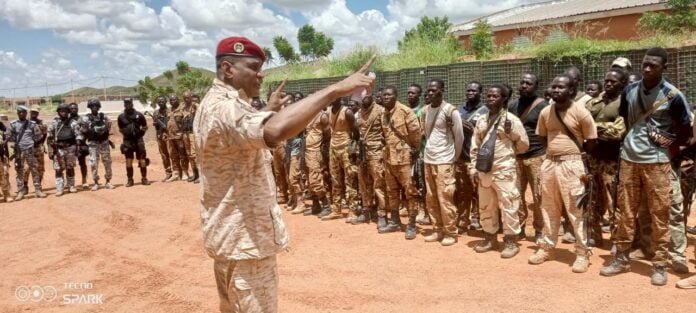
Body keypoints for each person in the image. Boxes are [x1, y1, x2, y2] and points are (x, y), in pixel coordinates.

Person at [193, 36, 374, 313]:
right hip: (247, 243)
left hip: (229, 239)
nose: (261, 75)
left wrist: (267, 111)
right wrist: (335, 90)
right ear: (228, 69)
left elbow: (241, 134)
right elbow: (274, 132)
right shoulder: (226, 106)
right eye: (253, 67)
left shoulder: (214, 103)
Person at [601, 47, 692, 286]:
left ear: (664, 67)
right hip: (629, 160)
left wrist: (666, 144)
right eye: (645, 65)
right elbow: (626, 118)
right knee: (625, 211)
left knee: (659, 214)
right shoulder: (630, 90)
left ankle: (660, 264)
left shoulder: (673, 95)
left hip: (658, 163)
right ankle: (621, 258)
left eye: (653, 65)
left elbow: (684, 131)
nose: (648, 69)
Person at [528, 74, 598, 273]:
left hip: (572, 165)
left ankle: (582, 253)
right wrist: (554, 154)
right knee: (548, 208)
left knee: (576, 210)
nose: (556, 91)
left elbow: (591, 141)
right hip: (549, 164)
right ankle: (547, 248)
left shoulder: (581, 112)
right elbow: (542, 137)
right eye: (554, 87)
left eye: (561, 87)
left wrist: (572, 156)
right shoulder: (545, 112)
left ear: (572, 91)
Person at [470, 84, 529, 257]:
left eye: (495, 96)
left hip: (504, 171)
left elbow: (523, 144)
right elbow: (475, 145)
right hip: (484, 171)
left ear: (504, 99)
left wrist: (507, 155)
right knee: (486, 206)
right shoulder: (481, 120)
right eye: (488, 96)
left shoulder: (511, 120)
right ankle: (490, 238)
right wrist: (473, 167)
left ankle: (511, 242)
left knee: (509, 205)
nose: (490, 99)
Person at [585, 69, 628, 244]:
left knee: (614, 201)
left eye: (613, 81)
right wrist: (600, 128)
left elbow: (617, 132)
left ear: (622, 84)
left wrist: (591, 128)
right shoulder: (594, 102)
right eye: (607, 80)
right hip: (592, 158)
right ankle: (594, 235)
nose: (609, 83)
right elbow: (580, 125)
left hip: (613, 160)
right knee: (591, 198)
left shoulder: (624, 103)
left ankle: (616, 238)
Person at [420, 79, 464, 246]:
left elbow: (459, 136)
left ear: (442, 91)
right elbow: (425, 133)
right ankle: (437, 229)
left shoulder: (450, 111)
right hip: (429, 159)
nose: (430, 93)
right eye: (429, 90)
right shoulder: (425, 111)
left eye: (434, 90)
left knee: (445, 197)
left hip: (444, 160)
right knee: (431, 197)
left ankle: (450, 232)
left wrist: (454, 157)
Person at [507, 73, 549, 242]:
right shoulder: (512, 105)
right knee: (515, 194)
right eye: (522, 82)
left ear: (536, 86)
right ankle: (519, 227)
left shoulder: (543, 107)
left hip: (537, 157)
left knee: (539, 196)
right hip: (516, 157)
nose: (524, 85)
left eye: (528, 83)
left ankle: (539, 230)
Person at [380, 85, 422, 238]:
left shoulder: (405, 111)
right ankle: (395, 221)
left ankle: (411, 224)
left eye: (389, 95)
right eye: (384, 95)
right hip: (390, 158)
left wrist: (413, 151)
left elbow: (416, 133)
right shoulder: (383, 114)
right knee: (391, 191)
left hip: (405, 158)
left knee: (410, 191)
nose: (385, 97)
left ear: (396, 96)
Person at [456, 81, 488, 234]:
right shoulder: (459, 110)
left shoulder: (485, 111)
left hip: (477, 158)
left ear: (480, 92)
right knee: (462, 192)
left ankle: (479, 220)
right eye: (468, 90)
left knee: (479, 191)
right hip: (461, 156)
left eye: (474, 91)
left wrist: (473, 129)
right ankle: (462, 222)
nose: (470, 93)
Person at [321, 97, 359, 221]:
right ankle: (336, 209)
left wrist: (353, 146)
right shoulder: (328, 111)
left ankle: (352, 210)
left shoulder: (347, 112)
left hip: (345, 146)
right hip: (333, 146)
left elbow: (355, 129)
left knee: (350, 178)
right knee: (335, 178)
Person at [353, 93, 386, 225]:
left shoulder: (381, 111)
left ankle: (382, 214)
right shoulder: (359, 112)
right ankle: (367, 210)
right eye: (360, 97)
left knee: (378, 183)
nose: (363, 99)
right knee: (363, 182)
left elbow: (386, 131)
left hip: (377, 151)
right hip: (362, 152)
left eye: (365, 96)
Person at [7, 105, 46, 200]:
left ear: (26, 113)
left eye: (23, 112)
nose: (22, 114)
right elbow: (8, 136)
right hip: (19, 152)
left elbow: (39, 136)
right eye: (20, 112)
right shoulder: (13, 124)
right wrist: (16, 142)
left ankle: (38, 190)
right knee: (20, 171)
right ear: (17, 113)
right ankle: (21, 191)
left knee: (34, 170)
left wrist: (31, 141)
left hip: (30, 150)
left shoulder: (32, 124)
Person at [302, 102, 331, 216]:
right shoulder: (306, 116)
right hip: (306, 150)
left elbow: (328, 133)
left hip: (315, 151)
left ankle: (326, 205)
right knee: (309, 180)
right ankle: (315, 205)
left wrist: (321, 146)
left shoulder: (322, 116)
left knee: (315, 179)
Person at [47, 103, 83, 196]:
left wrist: (78, 147)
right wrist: (51, 147)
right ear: (58, 112)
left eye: (65, 111)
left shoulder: (72, 123)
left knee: (70, 168)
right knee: (58, 169)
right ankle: (60, 188)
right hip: (58, 149)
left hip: (70, 148)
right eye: (61, 111)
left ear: (68, 112)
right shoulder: (54, 123)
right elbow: (49, 135)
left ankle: (71, 186)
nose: (63, 113)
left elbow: (78, 135)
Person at [408, 83, 430, 225]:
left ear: (419, 95)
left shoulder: (422, 111)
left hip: (421, 152)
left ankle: (426, 212)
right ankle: (417, 210)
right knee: (413, 183)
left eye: (413, 93)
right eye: (409, 92)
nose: (410, 95)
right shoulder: (405, 110)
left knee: (423, 183)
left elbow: (422, 133)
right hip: (408, 153)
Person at [81, 99, 114, 191]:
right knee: (93, 163)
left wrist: (102, 131)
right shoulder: (86, 118)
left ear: (99, 107)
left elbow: (108, 128)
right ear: (90, 107)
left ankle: (108, 181)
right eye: (92, 106)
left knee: (107, 162)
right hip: (93, 143)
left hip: (104, 142)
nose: (94, 107)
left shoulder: (104, 117)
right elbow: (83, 131)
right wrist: (91, 131)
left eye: (96, 106)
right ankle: (96, 182)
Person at [117, 98, 150, 187]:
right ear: (124, 104)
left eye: (129, 103)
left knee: (142, 160)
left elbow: (145, 126)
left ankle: (144, 178)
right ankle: (130, 180)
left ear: (132, 104)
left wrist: (140, 134)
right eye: (126, 103)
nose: (128, 105)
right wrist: (126, 133)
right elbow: (120, 128)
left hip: (138, 140)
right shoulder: (121, 117)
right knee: (128, 160)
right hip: (127, 141)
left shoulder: (139, 115)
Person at [166, 95, 188, 181]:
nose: (172, 101)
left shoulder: (182, 109)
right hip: (170, 137)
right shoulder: (169, 110)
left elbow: (185, 122)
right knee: (173, 155)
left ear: (178, 100)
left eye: (174, 99)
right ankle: (176, 173)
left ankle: (185, 172)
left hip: (179, 136)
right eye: (171, 100)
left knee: (182, 155)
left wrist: (182, 133)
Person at [152, 96, 173, 182]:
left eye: (162, 101)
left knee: (173, 154)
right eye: (159, 102)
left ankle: (177, 172)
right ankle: (168, 173)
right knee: (164, 155)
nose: (161, 103)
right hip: (160, 136)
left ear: (165, 102)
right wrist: (156, 123)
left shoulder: (170, 111)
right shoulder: (156, 113)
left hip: (169, 135)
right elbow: (156, 126)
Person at [69, 102, 89, 189]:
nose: (74, 110)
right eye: (72, 108)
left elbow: (87, 132)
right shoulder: (67, 120)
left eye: (75, 108)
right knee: (69, 165)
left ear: (78, 109)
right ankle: (70, 182)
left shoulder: (82, 119)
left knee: (82, 163)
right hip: (70, 145)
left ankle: (84, 180)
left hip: (81, 144)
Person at [181, 91, 199, 183]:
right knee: (189, 154)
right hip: (185, 133)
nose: (186, 99)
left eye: (188, 98)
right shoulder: (183, 108)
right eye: (184, 98)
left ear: (191, 97)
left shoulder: (195, 106)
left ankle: (199, 174)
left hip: (193, 133)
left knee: (194, 154)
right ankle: (195, 174)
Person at [0, 120, 12, 202]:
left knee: (3, 174)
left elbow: (5, 143)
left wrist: (6, 155)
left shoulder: (1, 128)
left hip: (1, 155)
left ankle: (6, 194)